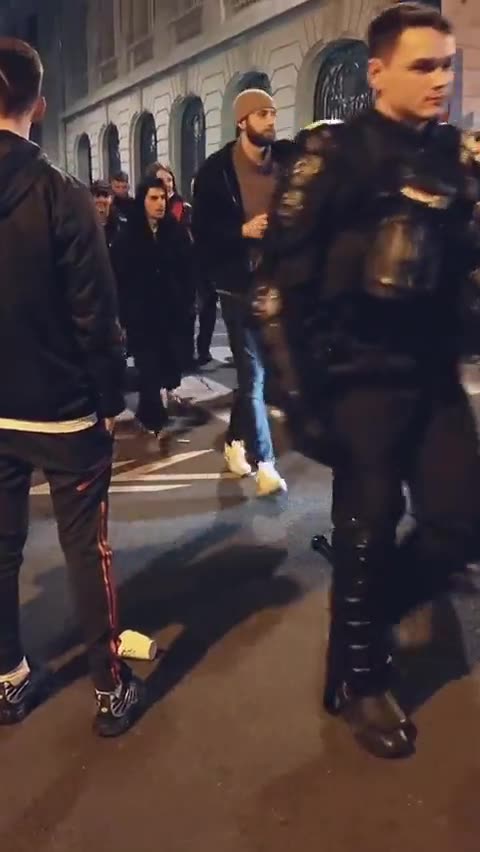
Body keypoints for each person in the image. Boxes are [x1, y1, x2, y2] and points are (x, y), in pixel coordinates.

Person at [259, 2, 480, 758]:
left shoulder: (453, 154)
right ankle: (361, 679)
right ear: (378, 72)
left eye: (447, 65)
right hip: (358, 380)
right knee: (366, 533)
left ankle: (361, 629)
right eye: (423, 66)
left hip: (434, 373)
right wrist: (298, 397)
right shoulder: (333, 156)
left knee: (459, 521)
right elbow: (275, 288)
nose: (440, 80)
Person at [0, 38, 143, 737]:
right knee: (87, 548)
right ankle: (109, 688)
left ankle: (7, 676)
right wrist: (109, 400)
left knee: (0, 549)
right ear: (39, 105)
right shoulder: (61, 193)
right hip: (63, 411)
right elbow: (96, 313)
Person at [192, 88, 293, 496]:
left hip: (279, 283)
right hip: (237, 286)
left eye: (273, 112)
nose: (270, 120)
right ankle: (265, 463)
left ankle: (234, 442)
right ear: (242, 121)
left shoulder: (286, 160)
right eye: (262, 114)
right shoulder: (216, 172)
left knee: (266, 375)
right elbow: (202, 233)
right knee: (253, 376)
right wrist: (242, 231)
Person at [112, 176, 194, 446]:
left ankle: (150, 412)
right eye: (153, 198)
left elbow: (187, 270)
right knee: (148, 368)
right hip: (141, 315)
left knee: (165, 367)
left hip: (170, 314)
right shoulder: (128, 235)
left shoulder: (175, 231)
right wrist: (122, 316)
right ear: (143, 200)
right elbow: (119, 277)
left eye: (163, 198)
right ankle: (153, 418)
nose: (160, 203)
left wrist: (186, 303)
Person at [90, 179, 123, 250]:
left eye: (105, 196)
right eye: (97, 196)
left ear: (111, 198)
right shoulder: (84, 225)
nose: (101, 199)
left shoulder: (120, 224)